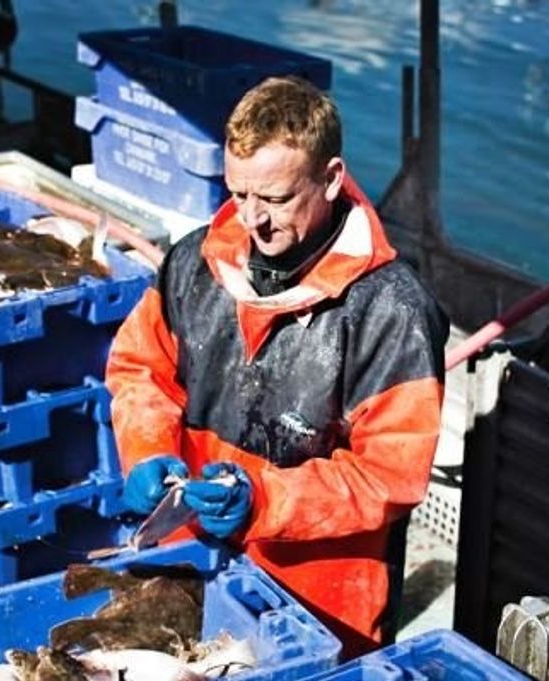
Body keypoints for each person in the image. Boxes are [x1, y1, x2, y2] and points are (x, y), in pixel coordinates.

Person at [105, 75, 448, 658]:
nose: (252, 220)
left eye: (276, 199)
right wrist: (146, 451)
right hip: (194, 561)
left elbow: (389, 476)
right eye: (238, 194)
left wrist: (264, 501)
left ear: (331, 178)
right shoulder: (190, 262)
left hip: (321, 598)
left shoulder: (394, 311)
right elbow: (140, 369)